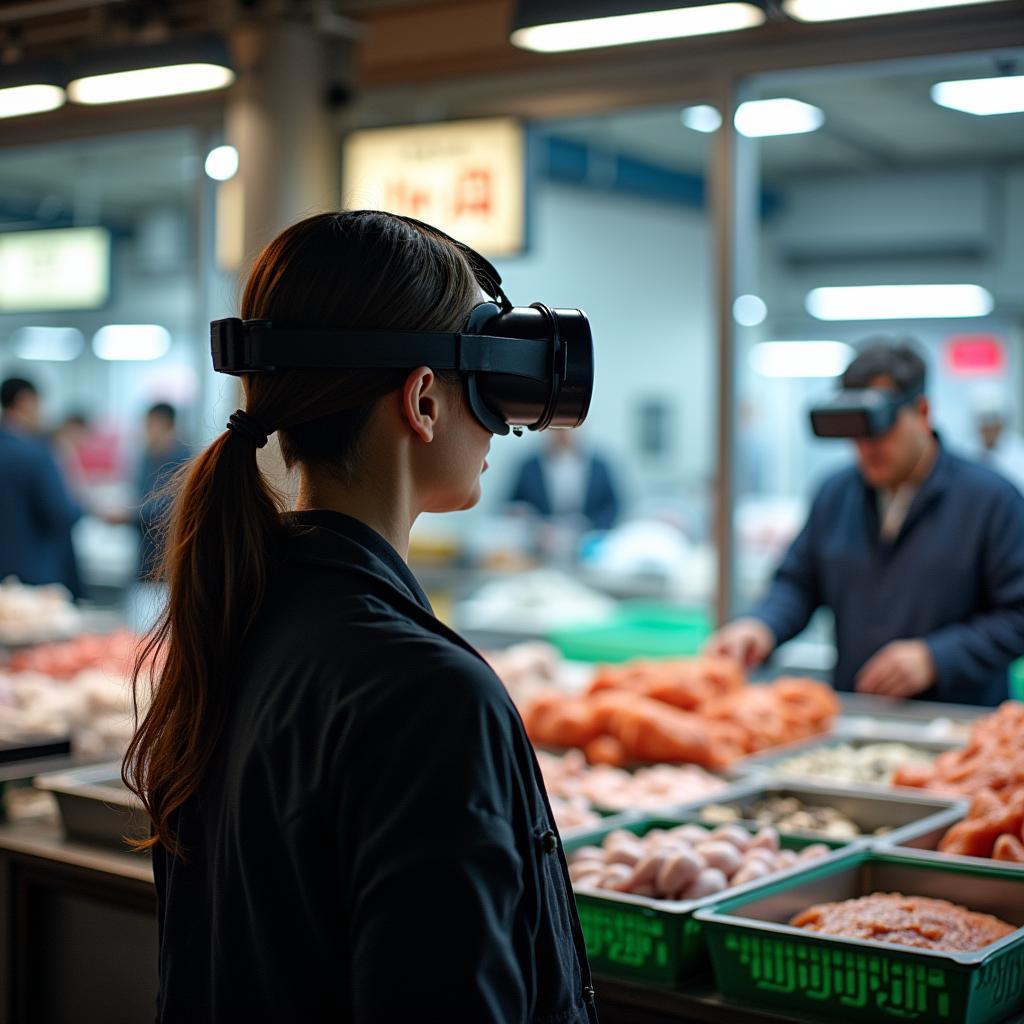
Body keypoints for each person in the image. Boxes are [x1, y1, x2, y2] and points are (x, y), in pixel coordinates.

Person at [122, 211, 596, 1023]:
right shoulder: (431, 697)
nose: (501, 426)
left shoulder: (235, 621)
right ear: (422, 399)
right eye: (487, 390)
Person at [707, 342, 1024, 706]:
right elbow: (798, 584)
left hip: (957, 723)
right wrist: (762, 626)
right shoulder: (836, 494)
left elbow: (1018, 614)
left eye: (880, 430)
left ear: (922, 412)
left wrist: (937, 657)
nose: (866, 449)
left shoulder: (990, 500)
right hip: (856, 714)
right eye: (855, 433)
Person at [0, 377, 83, 597]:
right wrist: (83, 506)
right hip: (33, 576)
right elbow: (61, 512)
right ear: (25, 402)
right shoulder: (35, 455)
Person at [508, 429, 620, 530]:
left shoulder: (598, 466)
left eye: (568, 428)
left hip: (589, 538)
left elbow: (612, 506)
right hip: (541, 540)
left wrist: (590, 527)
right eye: (556, 429)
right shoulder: (529, 466)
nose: (562, 433)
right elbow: (514, 504)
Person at [136, 402, 191, 580]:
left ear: (169, 427)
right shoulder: (148, 456)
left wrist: (128, 513)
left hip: (171, 550)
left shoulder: (183, 459)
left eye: (153, 426)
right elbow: (140, 496)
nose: (148, 432)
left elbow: (168, 507)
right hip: (145, 549)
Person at [971, 392, 1024, 494]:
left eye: (993, 421)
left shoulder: (1020, 454)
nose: (989, 428)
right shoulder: (967, 452)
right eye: (984, 421)